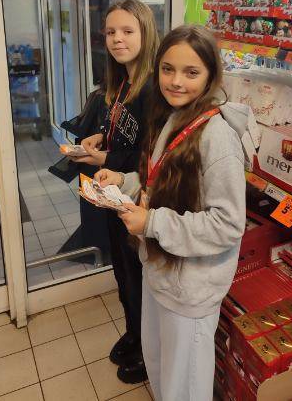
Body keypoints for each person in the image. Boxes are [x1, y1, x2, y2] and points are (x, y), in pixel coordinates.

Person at [95, 25, 246, 401]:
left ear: (211, 75)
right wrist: (124, 181)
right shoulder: (172, 117)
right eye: (167, 69)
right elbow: (161, 181)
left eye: (191, 72)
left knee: (185, 387)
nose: (176, 81)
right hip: (162, 272)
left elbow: (228, 224)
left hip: (191, 288)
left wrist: (152, 222)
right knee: (161, 369)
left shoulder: (218, 137)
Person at [69, 0, 159, 384]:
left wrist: (106, 157)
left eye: (127, 31)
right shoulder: (123, 80)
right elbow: (122, 132)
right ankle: (134, 332)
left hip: (138, 198)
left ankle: (148, 349)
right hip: (113, 195)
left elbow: (154, 154)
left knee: (140, 277)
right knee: (123, 274)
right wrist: (99, 138)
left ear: (146, 33)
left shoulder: (154, 87)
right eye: (110, 32)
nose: (117, 39)